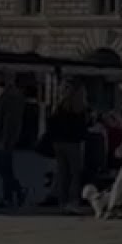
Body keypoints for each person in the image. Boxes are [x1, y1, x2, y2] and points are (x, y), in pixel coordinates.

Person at [46, 82, 91, 215]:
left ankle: (62, 202)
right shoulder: (79, 107)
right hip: (72, 143)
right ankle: (73, 201)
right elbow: (82, 127)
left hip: (58, 143)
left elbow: (51, 123)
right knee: (75, 173)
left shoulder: (58, 106)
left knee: (63, 173)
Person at [0, 75, 29, 210]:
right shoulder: (6, 95)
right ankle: (11, 195)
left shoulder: (11, 97)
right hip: (3, 138)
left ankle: (16, 191)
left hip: (5, 140)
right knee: (6, 168)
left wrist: (4, 140)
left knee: (1, 166)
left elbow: (9, 121)